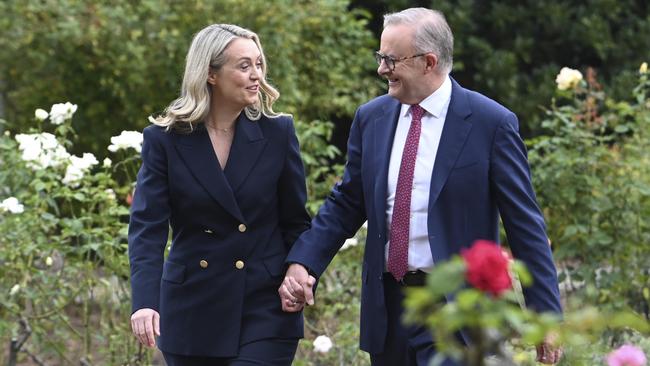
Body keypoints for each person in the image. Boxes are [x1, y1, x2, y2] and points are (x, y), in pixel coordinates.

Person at [278, 7, 563, 366]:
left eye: (390, 59)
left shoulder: (491, 124)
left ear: (428, 62)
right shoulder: (371, 118)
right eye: (380, 57)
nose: (381, 68)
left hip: (458, 312)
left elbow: (525, 226)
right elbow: (348, 202)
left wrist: (546, 316)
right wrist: (305, 262)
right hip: (389, 310)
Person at [128, 24, 310, 366]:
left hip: (264, 307)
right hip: (191, 308)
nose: (256, 75)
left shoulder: (278, 133)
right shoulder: (164, 140)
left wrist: (299, 269)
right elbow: (147, 229)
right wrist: (144, 301)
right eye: (244, 66)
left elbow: (296, 221)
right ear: (210, 74)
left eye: (259, 64)